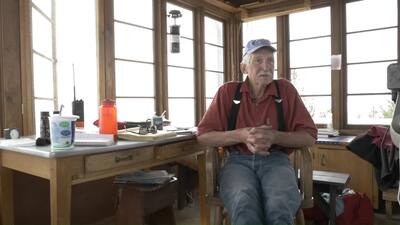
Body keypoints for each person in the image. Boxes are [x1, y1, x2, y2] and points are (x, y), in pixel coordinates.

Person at [197, 38, 317, 225]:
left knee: (279, 204)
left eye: (270, 61)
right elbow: (204, 136)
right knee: (244, 203)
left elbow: (309, 137)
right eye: (258, 61)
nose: (266, 66)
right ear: (244, 68)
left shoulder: (285, 90)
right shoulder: (228, 92)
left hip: (276, 161)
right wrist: (241, 135)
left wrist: (276, 136)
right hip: (238, 162)